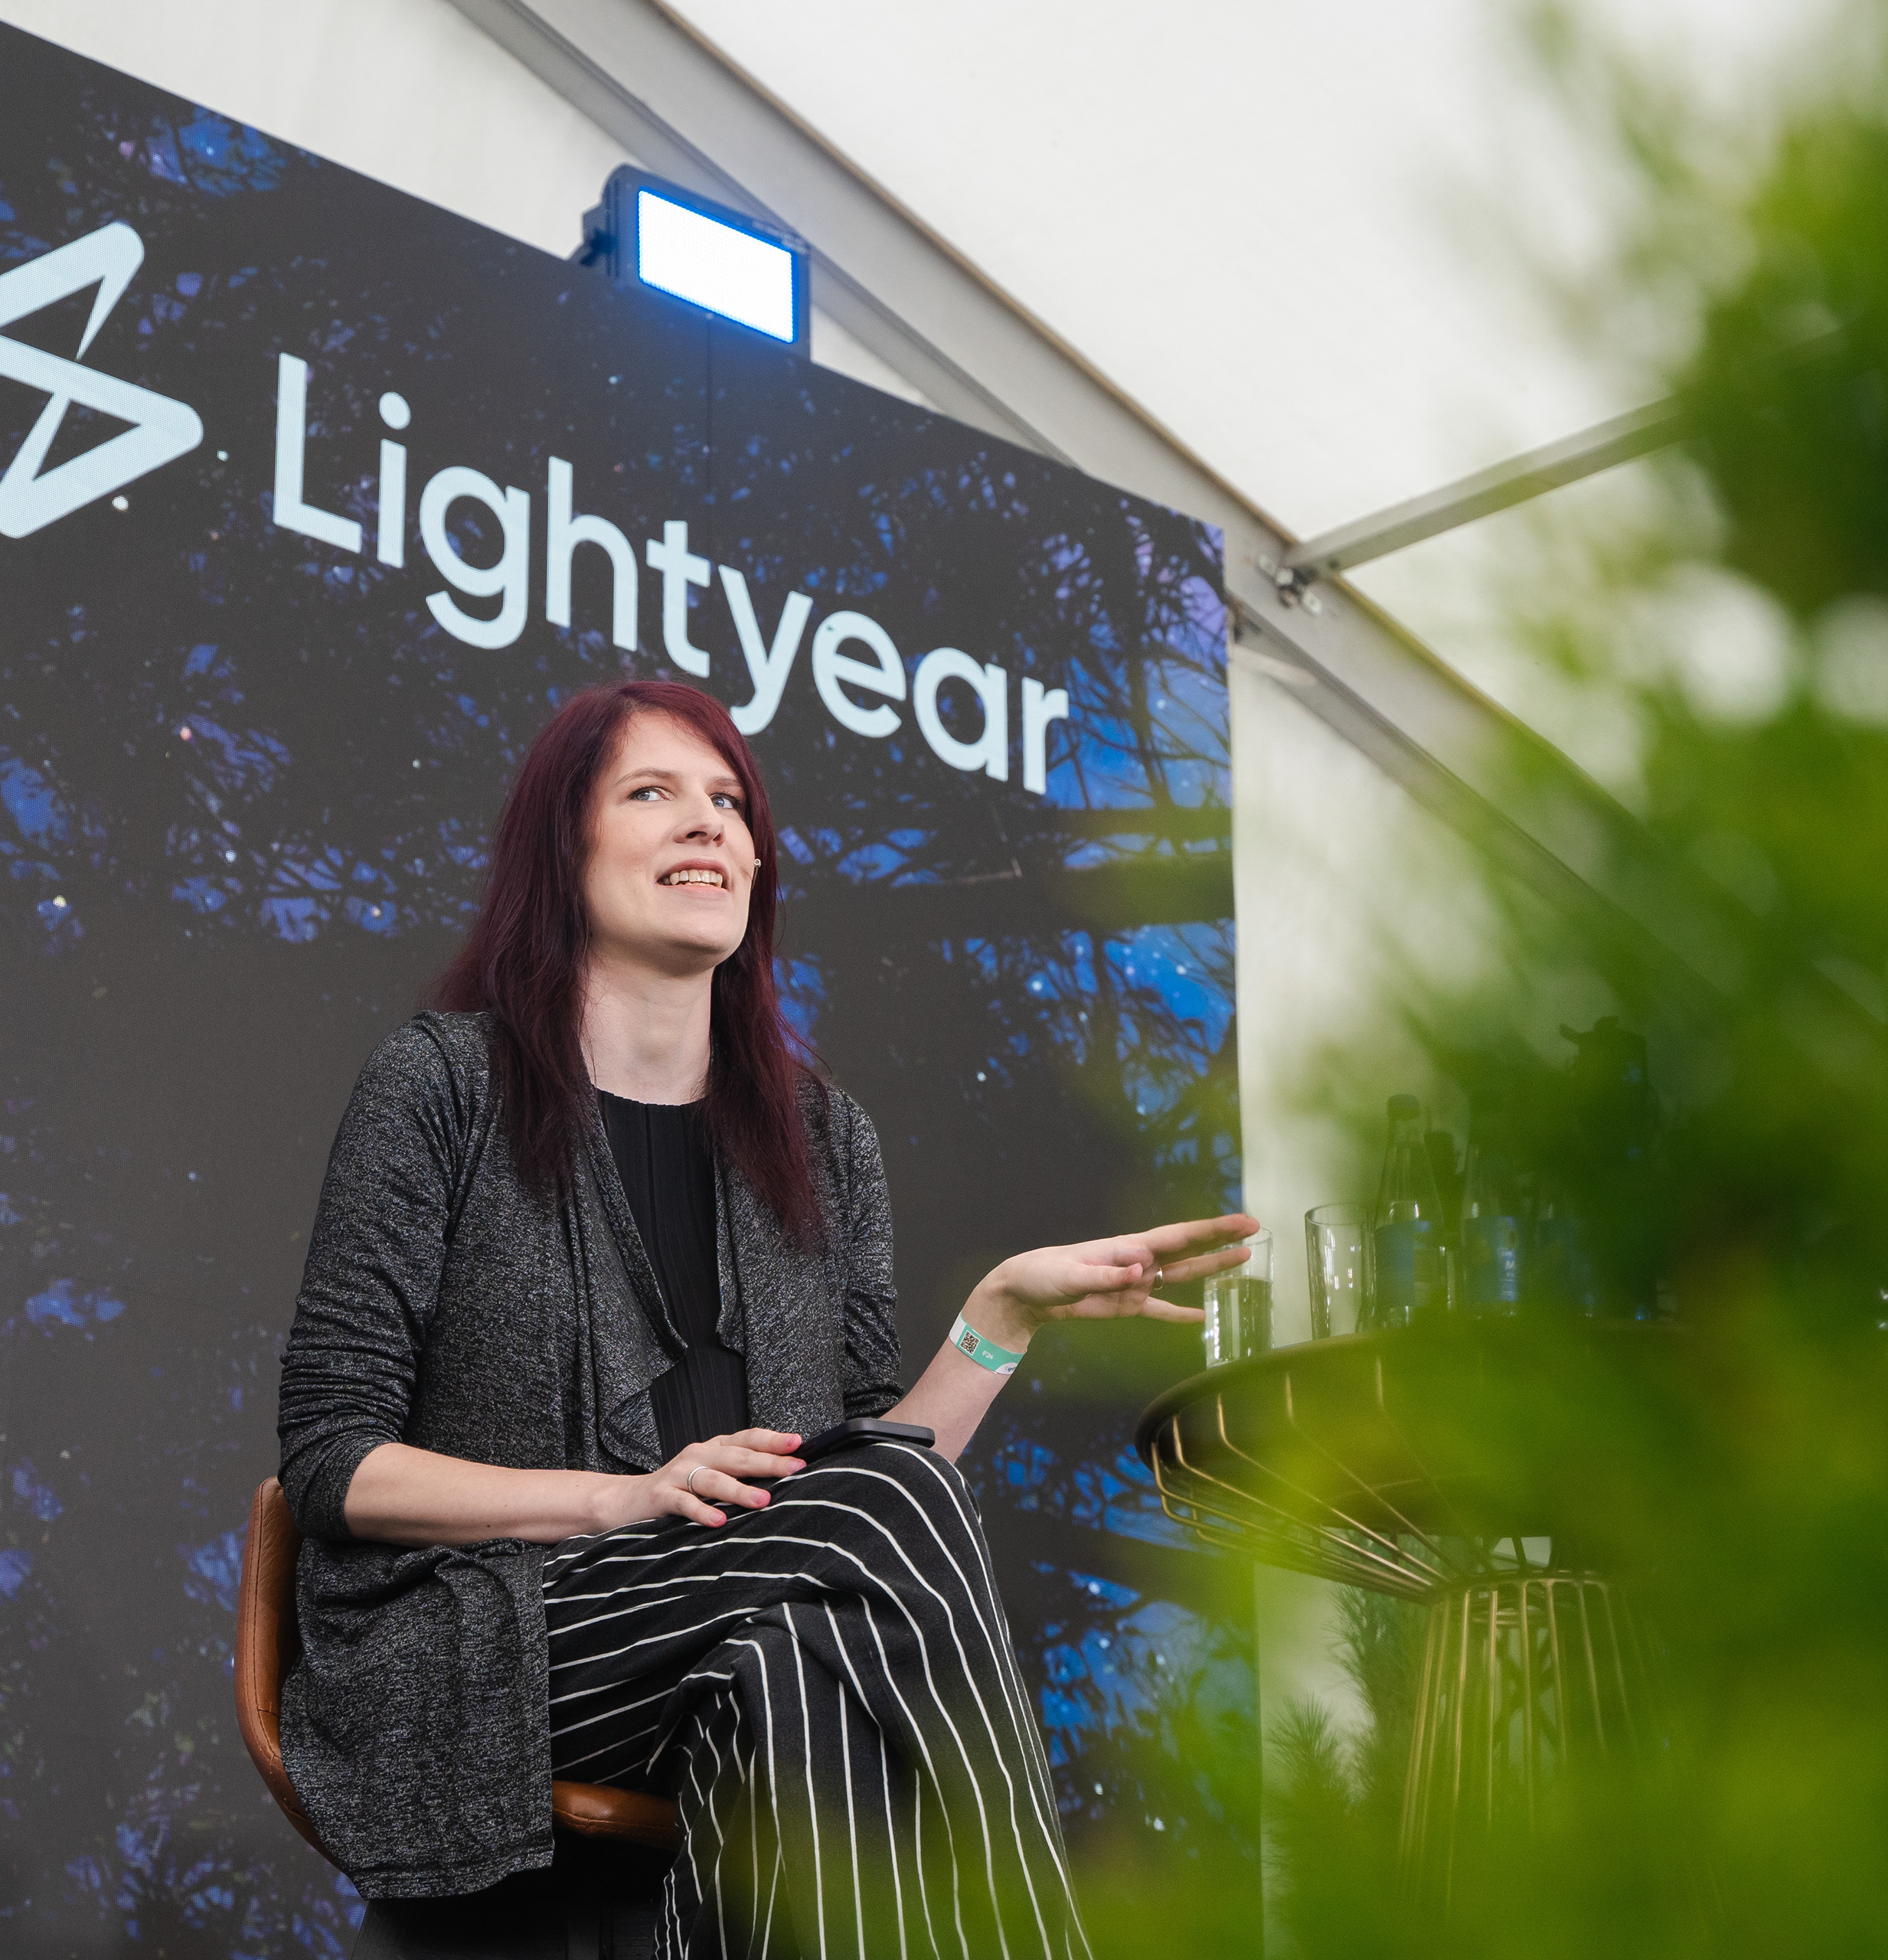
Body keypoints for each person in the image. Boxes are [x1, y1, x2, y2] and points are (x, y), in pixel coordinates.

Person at [274, 678, 1253, 1958]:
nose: (709, 826)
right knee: (858, 1543)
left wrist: (999, 1318)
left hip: (725, 1638)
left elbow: (869, 1495)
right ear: (561, 849)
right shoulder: (441, 1086)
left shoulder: (825, 1140)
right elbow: (332, 1458)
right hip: (487, 1647)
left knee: (795, 1666)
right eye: (654, 793)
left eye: (730, 803)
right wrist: (619, 1499)